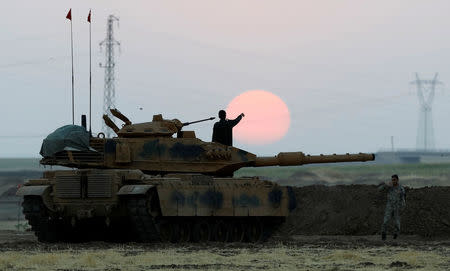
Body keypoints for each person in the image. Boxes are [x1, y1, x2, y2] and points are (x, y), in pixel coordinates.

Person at [378, 174, 406, 240]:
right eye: (392, 180)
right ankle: (383, 235)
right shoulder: (389, 187)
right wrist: (386, 185)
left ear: (397, 180)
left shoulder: (401, 188)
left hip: (397, 207)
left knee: (397, 223)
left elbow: (403, 198)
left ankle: (395, 237)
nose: (393, 181)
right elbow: (379, 189)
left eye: (394, 180)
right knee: (386, 221)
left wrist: (402, 207)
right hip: (389, 206)